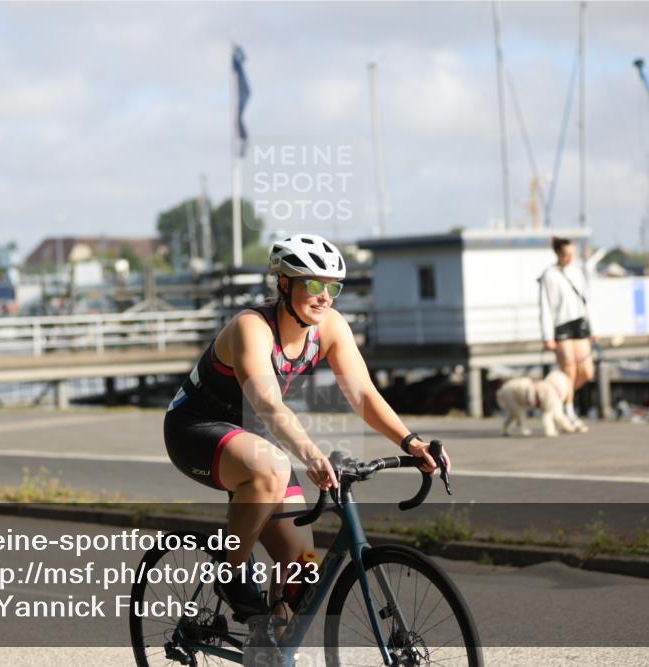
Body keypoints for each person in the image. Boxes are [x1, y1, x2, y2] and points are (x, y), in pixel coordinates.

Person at [164, 233, 450, 622]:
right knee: (273, 466)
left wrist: (411, 441)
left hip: (255, 436)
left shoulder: (329, 327)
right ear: (283, 283)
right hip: (197, 427)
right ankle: (231, 575)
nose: (324, 296)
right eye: (314, 284)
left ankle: (270, 637)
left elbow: (362, 394)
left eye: (333, 287)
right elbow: (268, 404)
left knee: (304, 570)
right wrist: (312, 454)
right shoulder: (252, 328)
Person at [538, 236, 594, 432]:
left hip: (580, 323)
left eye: (572, 254)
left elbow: (587, 301)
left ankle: (558, 397)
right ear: (558, 254)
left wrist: (594, 328)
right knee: (569, 369)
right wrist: (547, 336)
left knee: (586, 371)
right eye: (565, 254)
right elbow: (545, 306)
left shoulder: (578, 272)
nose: (569, 258)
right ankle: (569, 412)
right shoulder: (549, 275)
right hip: (561, 326)